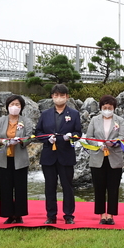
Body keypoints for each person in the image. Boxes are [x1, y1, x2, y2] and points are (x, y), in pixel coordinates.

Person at [35, 84, 82, 224]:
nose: (59, 98)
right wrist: (46, 138)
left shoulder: (74, 114)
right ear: (52, 97)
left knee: (67, 186)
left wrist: (71, 136)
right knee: (50, 186)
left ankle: (68, 215)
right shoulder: (45, 114)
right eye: (56, 95)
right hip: (49, 155)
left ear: (67, 97)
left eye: (62, 95)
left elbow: (78, 133)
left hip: (66, 155)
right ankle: (51, 215)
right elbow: (38, 133)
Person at [85, 95, 124, 225]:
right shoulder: (94, 120)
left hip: (114, 157)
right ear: (101, 108)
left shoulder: (119, 120)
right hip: (98, 157)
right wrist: (98, 144)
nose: (107, 110)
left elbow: (122, 137)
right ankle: (102, 214)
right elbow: (88, 136)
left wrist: (113, 143)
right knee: (99, 187)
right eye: (105, 107)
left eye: (110, 108)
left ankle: (111, 215)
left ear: (114, 108)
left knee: (113, 187)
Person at [0, 94, 33, 224]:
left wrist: (20, 141)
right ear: (7, 106)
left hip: (20, 159)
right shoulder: (1, 121)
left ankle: (19, 215)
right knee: (5, 187)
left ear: (21, 107)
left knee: (20, 187)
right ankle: (9, 214)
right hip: (4, 158)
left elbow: (29, 137)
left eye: (17, 105)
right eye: (12, 104)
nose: (14, 107)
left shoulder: (26, 121)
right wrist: (2, 141)